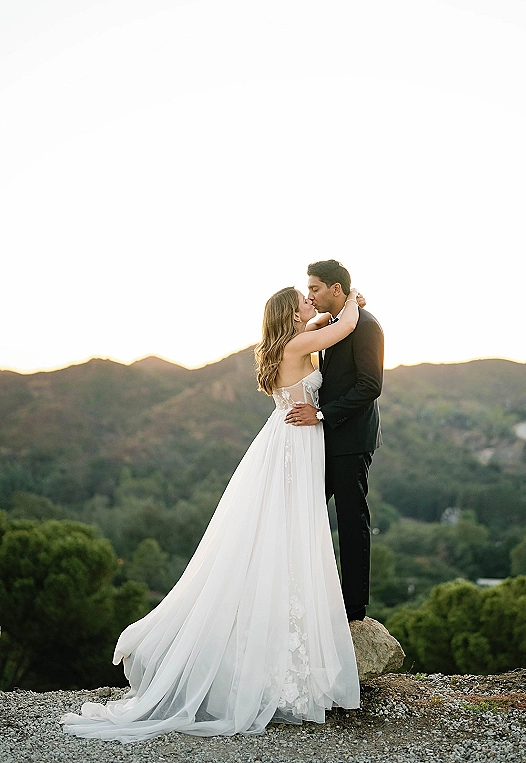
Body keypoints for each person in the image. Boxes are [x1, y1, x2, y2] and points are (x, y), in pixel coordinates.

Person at [60, 286, 361, 743]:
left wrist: (324, 317)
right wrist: (353, 298)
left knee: (280, 533)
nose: (310, 304)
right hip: (294, 446)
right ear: (289, 312)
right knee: (287, 534)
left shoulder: (286, 343)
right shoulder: (299, 345)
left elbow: (321, 327)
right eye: (303, 300)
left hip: (288, 439)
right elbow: (345, 327)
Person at [285, 260, 384, 623]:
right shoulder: (332, 324)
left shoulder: (367, 326)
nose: (309, 294)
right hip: (323, 439)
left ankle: (353, 610)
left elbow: (370, 386)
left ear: (336, 289)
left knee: (350, 519)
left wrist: (322, 415)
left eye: (315, 288)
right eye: (307, 290)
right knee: (303, 513)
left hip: (351, 440)